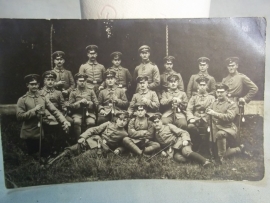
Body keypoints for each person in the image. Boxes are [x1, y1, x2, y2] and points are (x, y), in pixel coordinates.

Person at [16, 74, 70, 157]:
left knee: (46, 153)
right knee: (33, 156)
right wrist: (34, 110)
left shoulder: (43, 97)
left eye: (36, 84)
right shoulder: (22, 99)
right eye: (32, 84)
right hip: (30, 133)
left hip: (42, 130)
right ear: (27, 85)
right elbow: (19, 117)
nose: (34, 86)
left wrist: (64, 121)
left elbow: (54, 110)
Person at [47, 111, 129, 165]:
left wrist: (119, 150)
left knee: (79, 159)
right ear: (117, 119)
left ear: (126, 122)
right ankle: (51, 163)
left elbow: (124, 145)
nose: (122, 122)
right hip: (93, 140)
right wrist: (83, 137)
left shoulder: (124, 133)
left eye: (124, 120)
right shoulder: (108, 124)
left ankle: (62, 165)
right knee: (70, 149)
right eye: (120, 119)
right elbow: (94, 129)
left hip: (101, 149)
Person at [206, 83, 245, 164]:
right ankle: (218, 153)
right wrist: (209, 124)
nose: (219, 94)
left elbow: (229, 117)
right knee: (213, 151)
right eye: (218, 92)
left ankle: (235, 151)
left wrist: (214, 113)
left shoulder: (231, 104)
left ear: (226, 92)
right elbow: (208, 115)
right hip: (215, 127)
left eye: (221, 92)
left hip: (227, 128)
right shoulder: (214, 102)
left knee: (220, 134)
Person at [186, 77, 215, 151]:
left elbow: (214, 109)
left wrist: (210, 120)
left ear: (206, 86)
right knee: (190, 127)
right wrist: (191, 118)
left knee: (210, 129)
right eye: (200, 85)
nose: (202, 87)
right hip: (196, 118)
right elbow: (189, 109)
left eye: (204, 85)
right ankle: (198, 142)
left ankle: (207, 146)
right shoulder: (194, 97)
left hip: (207, 118)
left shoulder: (211, 98)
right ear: (198, 86)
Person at [68, 73, 99, 139]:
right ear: (77, 81)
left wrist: (89, 103)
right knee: (77, 122)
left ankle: (87, 140)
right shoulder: (73, 92)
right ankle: (78, 140)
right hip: (77, 113)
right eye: (80, 81)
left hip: (89, 113)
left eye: (84, 81)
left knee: (91, 122)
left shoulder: (91, 91)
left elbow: (96, 103)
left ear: (86, 81)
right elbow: (70, 105)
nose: (82, 83)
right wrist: (79, 102)